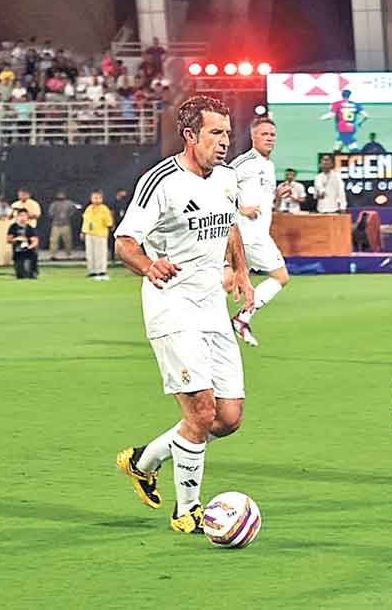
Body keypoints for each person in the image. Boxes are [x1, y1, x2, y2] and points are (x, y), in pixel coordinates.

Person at [113, 96, 254, 535]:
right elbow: (125, 242)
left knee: (227, 419)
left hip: (211, 304)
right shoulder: (161, 181)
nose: (225, 141)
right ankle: (187, 510)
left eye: (228, 133)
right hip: (171, 306)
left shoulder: (227, 178)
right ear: (190, 136)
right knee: (200, 411)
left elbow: (229, 223)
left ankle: (143, 460)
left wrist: (243, 272)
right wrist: (148, 265)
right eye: (216, 133)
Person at [227, 116, 290, 347]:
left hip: (256, 232)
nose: (269, 138)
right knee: (280, 276)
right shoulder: (245, 163)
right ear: (253, 136)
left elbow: (261, 200)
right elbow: (216, 185)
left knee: (227, 282)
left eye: (272, 134)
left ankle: (204, 326)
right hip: (248, 233)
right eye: (264, 134)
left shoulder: (269, 166)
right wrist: (240, 208)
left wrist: (276, 197)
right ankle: (242, 318)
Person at [81, 190, 114, 280]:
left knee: (101, 253)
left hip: (100, 233)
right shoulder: (89, 209)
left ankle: (101, 271)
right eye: (94, 198)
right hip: (89, 233)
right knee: (90, 253)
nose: (96, 200)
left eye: (98, 198)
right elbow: (85, 221)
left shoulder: (104, 209)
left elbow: (109, 223)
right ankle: (92, 271)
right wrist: (83, 232)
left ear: (101, 199)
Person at [7, 208, 39, 279]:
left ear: (27, 217)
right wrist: (16, 239)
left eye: (24, 216)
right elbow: (9, 240)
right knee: (20, 275)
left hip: (29, 251)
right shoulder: (13, 227)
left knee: (31, 275)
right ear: (17, 216)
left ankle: (33, 272)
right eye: (21, 215)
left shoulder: (30, 228)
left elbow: (35, 241)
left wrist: (28, 247)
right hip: (17, 251)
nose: (22, 217)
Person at [47, 191, 78, 260]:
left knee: (67, 240)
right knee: (54, 240)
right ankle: (53, 254)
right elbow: (50, 213)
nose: (61, 196)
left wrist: (70, 214)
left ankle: (68, 254)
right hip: (56, 225)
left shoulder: (69, 203)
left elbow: (76, 207)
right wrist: (56, 216)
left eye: (62, 195)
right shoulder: (54, 204)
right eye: (59, 195)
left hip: (66, 224)